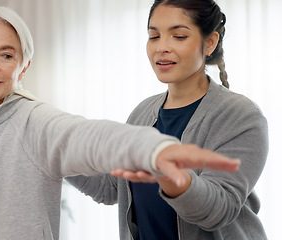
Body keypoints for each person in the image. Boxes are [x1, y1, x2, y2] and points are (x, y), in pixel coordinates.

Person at [0, 6, 240, 240]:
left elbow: (88, 135)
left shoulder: (36, 121)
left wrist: (154, 148)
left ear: (24, 66)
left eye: (7, 55)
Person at [67, 0, 268, 239]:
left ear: (209, 43)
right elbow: (111, 187)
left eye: (179, 36)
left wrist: (169, 174)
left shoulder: (240, 116)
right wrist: (55, 149)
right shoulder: (142, 113)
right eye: (154, 36)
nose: (161, 47)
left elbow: (218, 210)